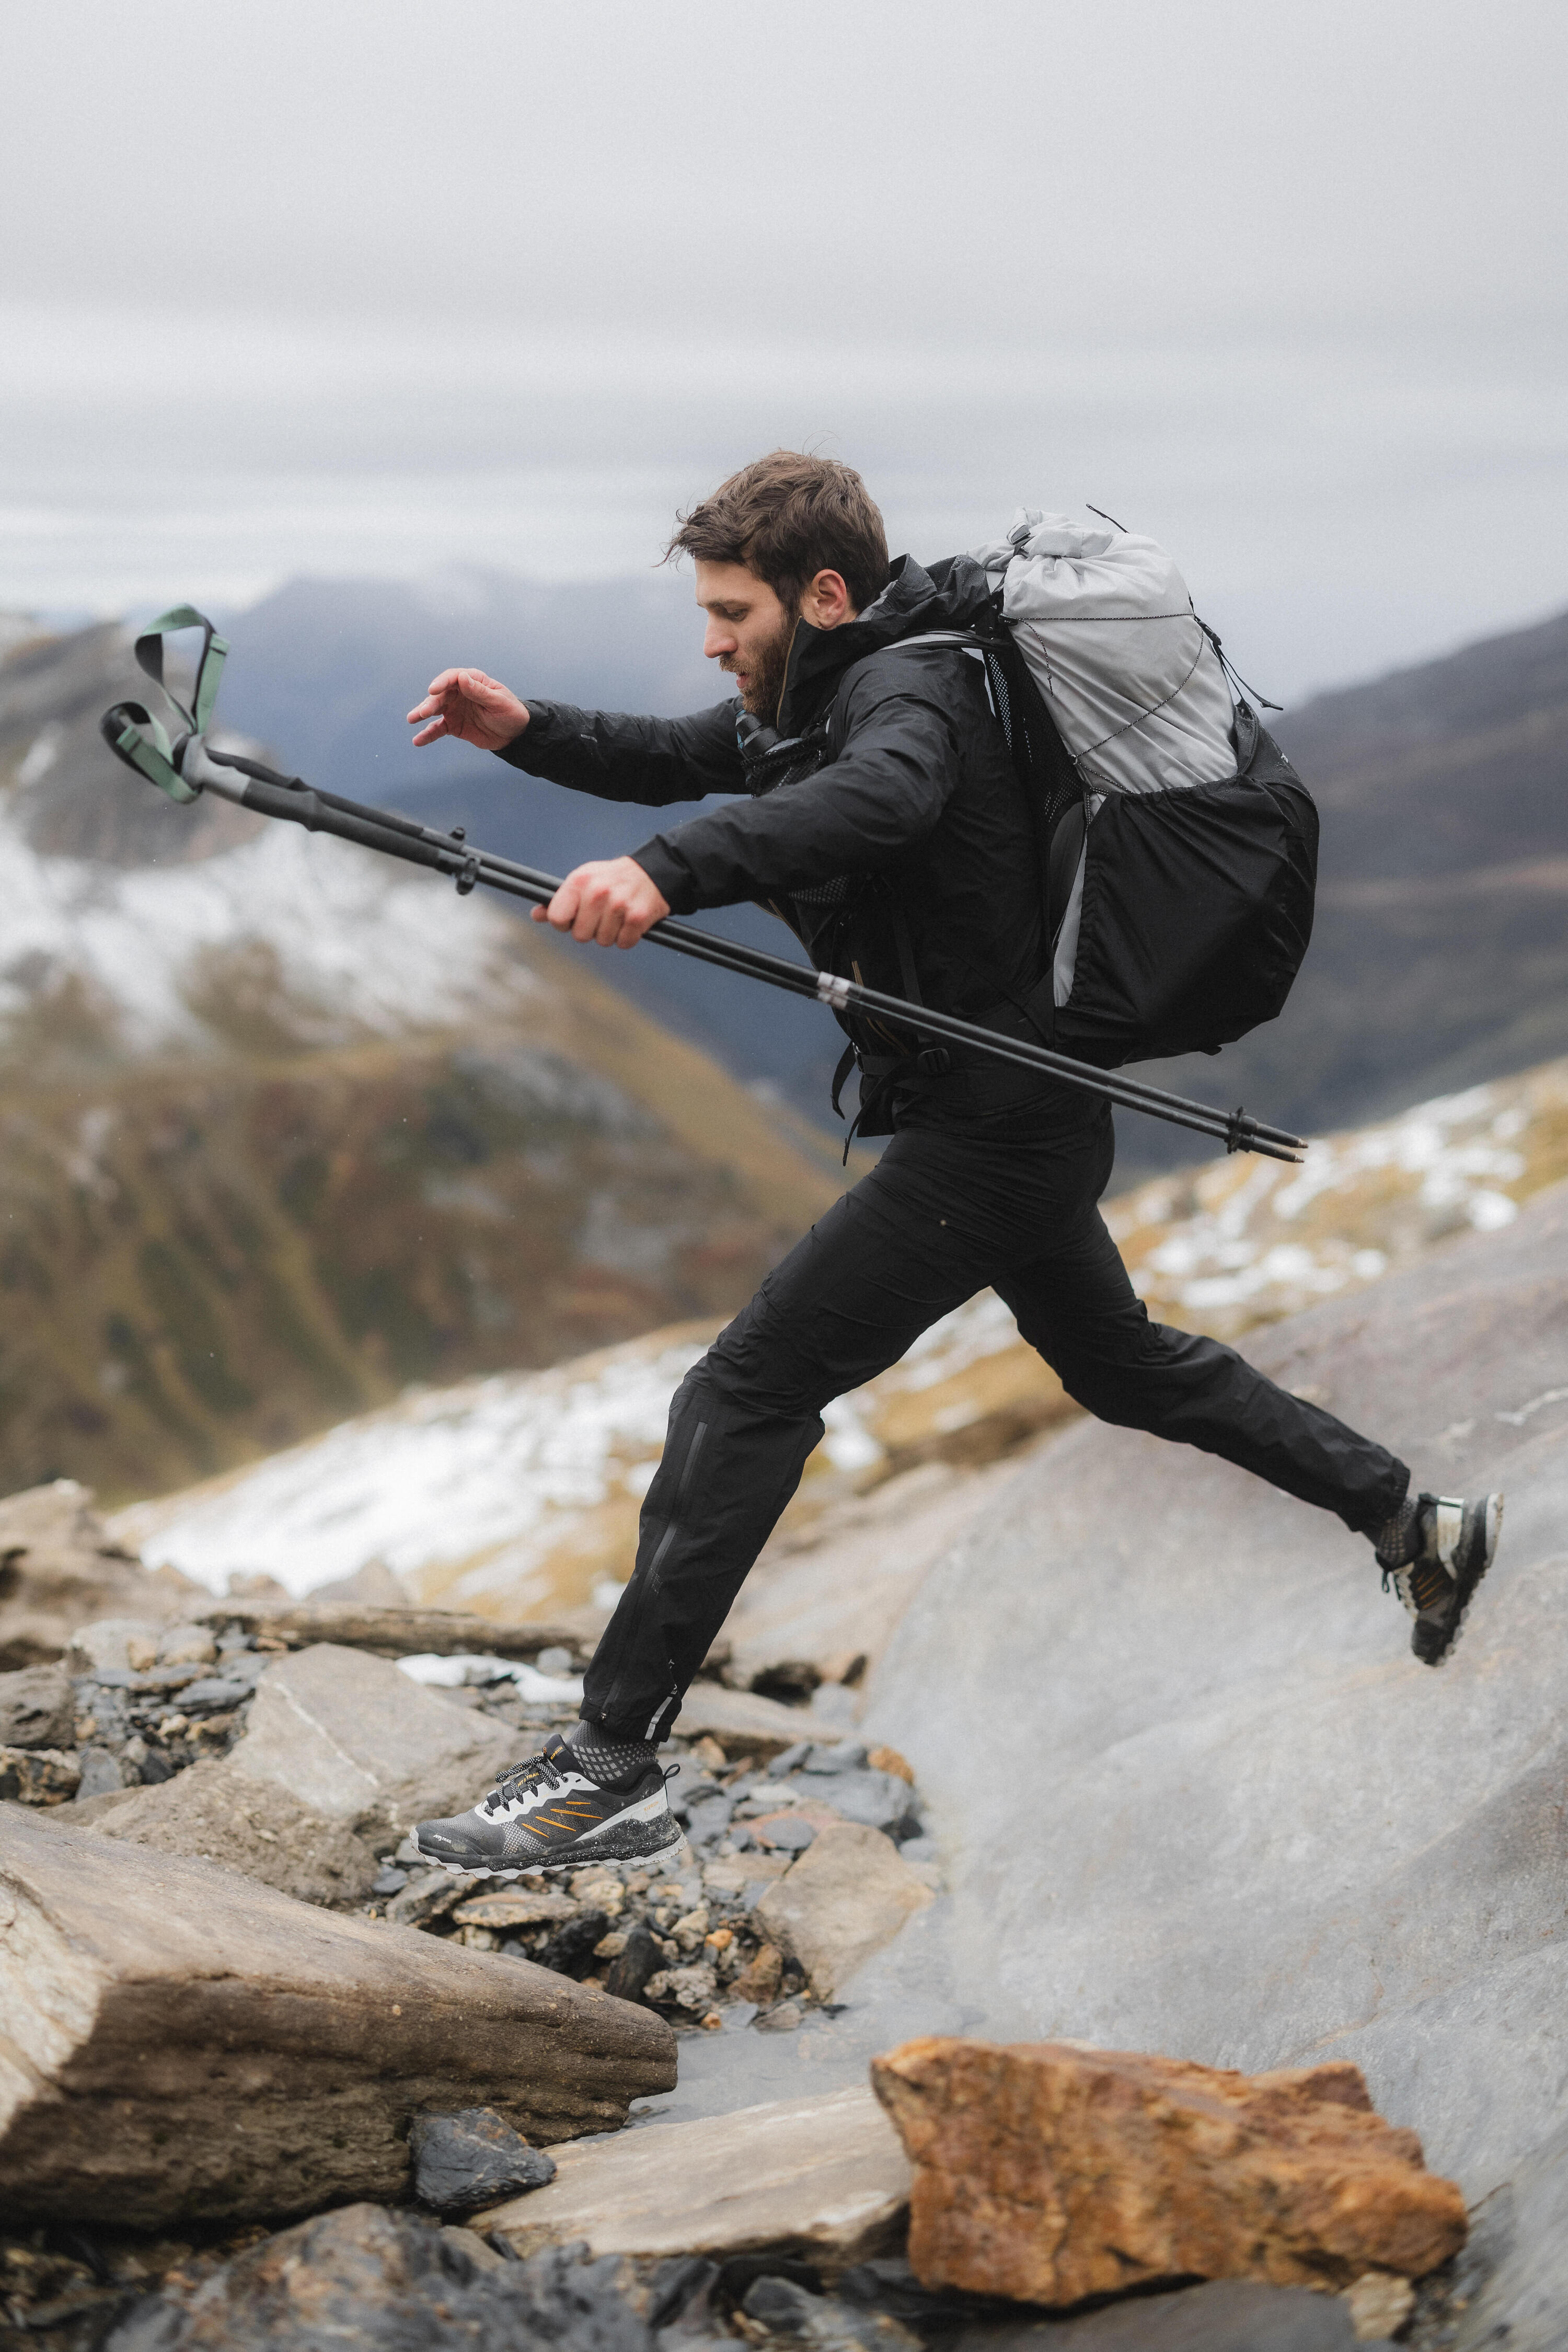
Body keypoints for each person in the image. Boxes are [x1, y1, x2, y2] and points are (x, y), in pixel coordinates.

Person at [404, 451, 1503, 1878]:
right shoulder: (837, 682)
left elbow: (879, 805)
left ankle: (607, 1763)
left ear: (823, 593)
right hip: (1015, 1118)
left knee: (744, 1390)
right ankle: (1413, 1517)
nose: (712, 638)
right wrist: (523, 728)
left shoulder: (909, 699)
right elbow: (685, 750)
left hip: (991, 1130)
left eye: (733, 611)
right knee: (1125, 1365)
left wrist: (668, 872)